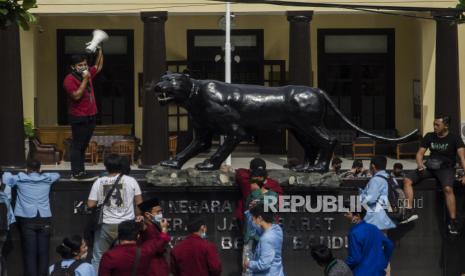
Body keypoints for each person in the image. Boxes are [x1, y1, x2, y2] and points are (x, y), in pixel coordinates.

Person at [402, 116, 465, 234]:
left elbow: (462, 157)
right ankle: (409, 211)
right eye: (434, 124)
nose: (434, 127)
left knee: (447, 188)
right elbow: (419, 154)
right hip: (430, 166)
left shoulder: (455, 138)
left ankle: (453, 221)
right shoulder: (429, 136)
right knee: (407, 180)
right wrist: (420, 165)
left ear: (445, 126)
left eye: (437, 125)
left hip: (446, 168)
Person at [2, 159, 60, 276]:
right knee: (44, 253)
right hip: (44, 218)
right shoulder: (47, 179)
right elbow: (57, 175)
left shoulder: (20, 179)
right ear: (39, 169)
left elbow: (6, 177)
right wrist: (44, 174)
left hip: (27, 219)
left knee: (30, 254)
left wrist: (16, 172)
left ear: (27, 168)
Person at [87, 154, 143, 272]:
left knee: (98, 256)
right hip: (127, 225)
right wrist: (138, 217)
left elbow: (90, 204)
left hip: (106, 225)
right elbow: (139, 203)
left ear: (106, 167)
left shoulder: (99, 181)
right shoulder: (131, 181)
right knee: (127, 256)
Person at [63, 48, 103, 181]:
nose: (84, 67)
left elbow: (98, 66)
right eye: (80, 65)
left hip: (91, 115)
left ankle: (81, 172)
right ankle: (76, 174)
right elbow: (76, 96)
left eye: (85, 64)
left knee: (84, 145)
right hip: (79, 116)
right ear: (73, 67)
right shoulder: (69, 79)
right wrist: (85, 79)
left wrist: (100, 50)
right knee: (77, 146)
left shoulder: (87, 73)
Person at [99, 219, 171, 276]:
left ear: (119, 235)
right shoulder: (145, 251)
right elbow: (160, 242)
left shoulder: (109, 256)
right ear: (138, 236)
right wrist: (164, 229)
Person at [344, 206, 394, 276]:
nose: (345, 215)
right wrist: (383, 263)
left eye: (347, 214)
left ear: (357, 216)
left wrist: (342, 266)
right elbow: (389, 245)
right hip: (378, 273)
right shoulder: (373, 228)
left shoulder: (354, 233)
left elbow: (355, 258)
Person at [243, 203, 284, 276]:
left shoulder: (267, 238)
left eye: (253, 219)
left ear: (259, 218)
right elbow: (254, 227)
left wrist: (248, 264)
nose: (253, 221)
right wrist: (249, 212)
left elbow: (264, 264)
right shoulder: (277, 229)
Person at [360, 156, 396, 232]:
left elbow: (370, 200)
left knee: (375, 242)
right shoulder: (391, 178)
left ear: (373, 166)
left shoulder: (376, 180)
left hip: (376, 219)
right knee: (384, 240)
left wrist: (361, 195)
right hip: (388, 217)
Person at [138, 197, 170, 276]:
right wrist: (164, 231)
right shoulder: (146, 227)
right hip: (152, 267)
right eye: (158, 212)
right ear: (147, 215)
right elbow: (158, 247)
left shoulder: (154, 225)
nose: (160, 214)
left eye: (161, 211)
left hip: (160, 265)